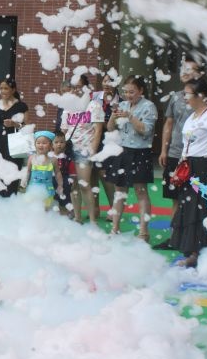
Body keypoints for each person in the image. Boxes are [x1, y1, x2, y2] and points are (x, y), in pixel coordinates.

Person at [168, 78, 207, 267]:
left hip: (204, 166)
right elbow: (187, 145)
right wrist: (180, 166)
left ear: (200, 96)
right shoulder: (192, 116)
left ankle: (205, 253)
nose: (184, 97)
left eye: (187, 94)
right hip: (189, 166)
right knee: (189, 209)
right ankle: (192, 252)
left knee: (204, 209)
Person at [105, 75, 157, 240]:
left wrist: (130, 117)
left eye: (132, 92)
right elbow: (110, 128)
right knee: (119, 191)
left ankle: (144, 232)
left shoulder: (149, 106)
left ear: (141, 91)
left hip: (140, 151)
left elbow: (145, 130)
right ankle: (115, 229)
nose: (128, 95)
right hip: (122, 151)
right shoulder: (122, 104)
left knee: (141, 191)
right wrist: (113, 116)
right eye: (126, 92)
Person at [159, 59, 205, 217]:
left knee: (195, 197)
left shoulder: (204, 98)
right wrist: (164, 150)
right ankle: (174, 230)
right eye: (182, 68)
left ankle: (191, 231)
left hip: (196, 154)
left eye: (189, 69)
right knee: (175, 197)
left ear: (199, 74)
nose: (184, 72)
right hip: (175, 152)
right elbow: (169, 124)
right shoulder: (175, 97)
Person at [60, 74, 104, 224]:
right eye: (73, 87)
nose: (75, 90)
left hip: (84, 150)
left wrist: (93, 150)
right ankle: (78, 217)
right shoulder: (68, 107)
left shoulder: (94, 105)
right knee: (73, 185)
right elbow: (64, 130)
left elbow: (98, 130)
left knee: (84, 184)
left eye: (79, 87)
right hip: (69, 149)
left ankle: (92, 220)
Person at [0, 78, 28, 197]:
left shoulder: (21, 106)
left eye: (6, 88)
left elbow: (26, 128)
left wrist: (14, 124)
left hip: (15, 146)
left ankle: (8, 201)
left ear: (13, 90)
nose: (3, 91)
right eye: (1, 88)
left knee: (11, 177)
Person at [91, 72, 121, 214]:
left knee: (106, 175)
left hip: (110, 142)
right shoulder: (94, 97)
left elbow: (117, 126)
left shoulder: (120, 102)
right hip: (92, 139)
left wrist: (100, 121)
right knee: (92, 174)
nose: (106, 84)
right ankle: (95, 208)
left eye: (110, 81)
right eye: (104, 81)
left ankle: (113, 208)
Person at [24, 131, 64, 211]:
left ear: (50, 146)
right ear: (35, 145)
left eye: (44, 143)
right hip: (33, 188)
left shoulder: (53, 160)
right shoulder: (32, 158)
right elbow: (28, 171)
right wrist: (24, 180)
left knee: (45, 209)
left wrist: (60, 185)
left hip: (47, 189)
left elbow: (58, 173)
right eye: (38, 143)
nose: (41, 145)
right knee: (31, 208)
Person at [53, 131, 76, 218]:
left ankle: (68, 211)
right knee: (54, 197)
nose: (59, 144)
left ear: (65, 143)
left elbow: (72, 171)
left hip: (65, 180)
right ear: (52, 144)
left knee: (66, 196)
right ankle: (56, 211)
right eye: (56, 142)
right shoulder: (50, 156)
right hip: (53, 180)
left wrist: (73, 181)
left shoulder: (68, 156)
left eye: (62, 142)